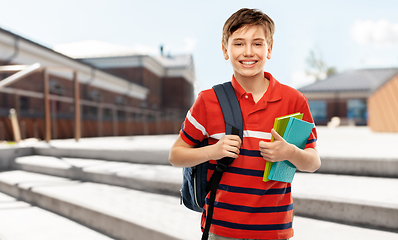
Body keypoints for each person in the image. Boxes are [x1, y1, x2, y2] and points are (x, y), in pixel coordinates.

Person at [169, 8, 320, 240]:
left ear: (269, 49)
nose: (248, 52)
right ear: (225, 50)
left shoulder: (294, 101)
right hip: (220, 230)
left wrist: (289, 152)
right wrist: (214, 150)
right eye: (239, 43)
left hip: (274, 231)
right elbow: (176, 155)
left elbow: (313, 162)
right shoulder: (208, 101)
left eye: (257, 43)